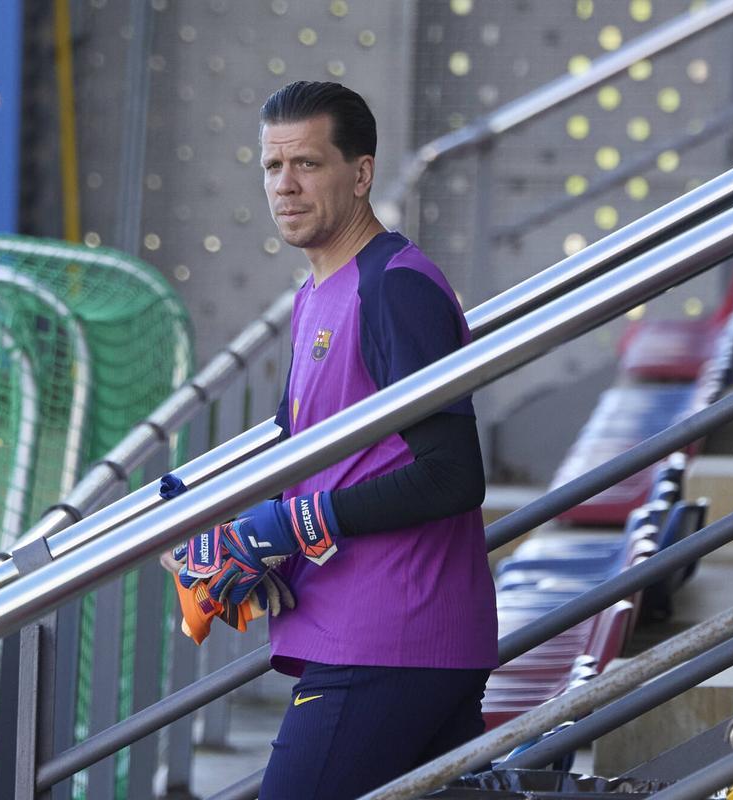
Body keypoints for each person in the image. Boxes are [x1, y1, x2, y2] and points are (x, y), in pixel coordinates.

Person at [166, 80, 497, 799]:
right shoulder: (318, 290)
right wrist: (202, 519)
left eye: (308, 164)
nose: (285, 185)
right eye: (272, 167)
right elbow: (301, 444)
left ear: (362, 173)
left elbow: (452, 474)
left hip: (389, 639)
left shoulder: (396, 288)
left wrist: (293, 523)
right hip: (374, 633)